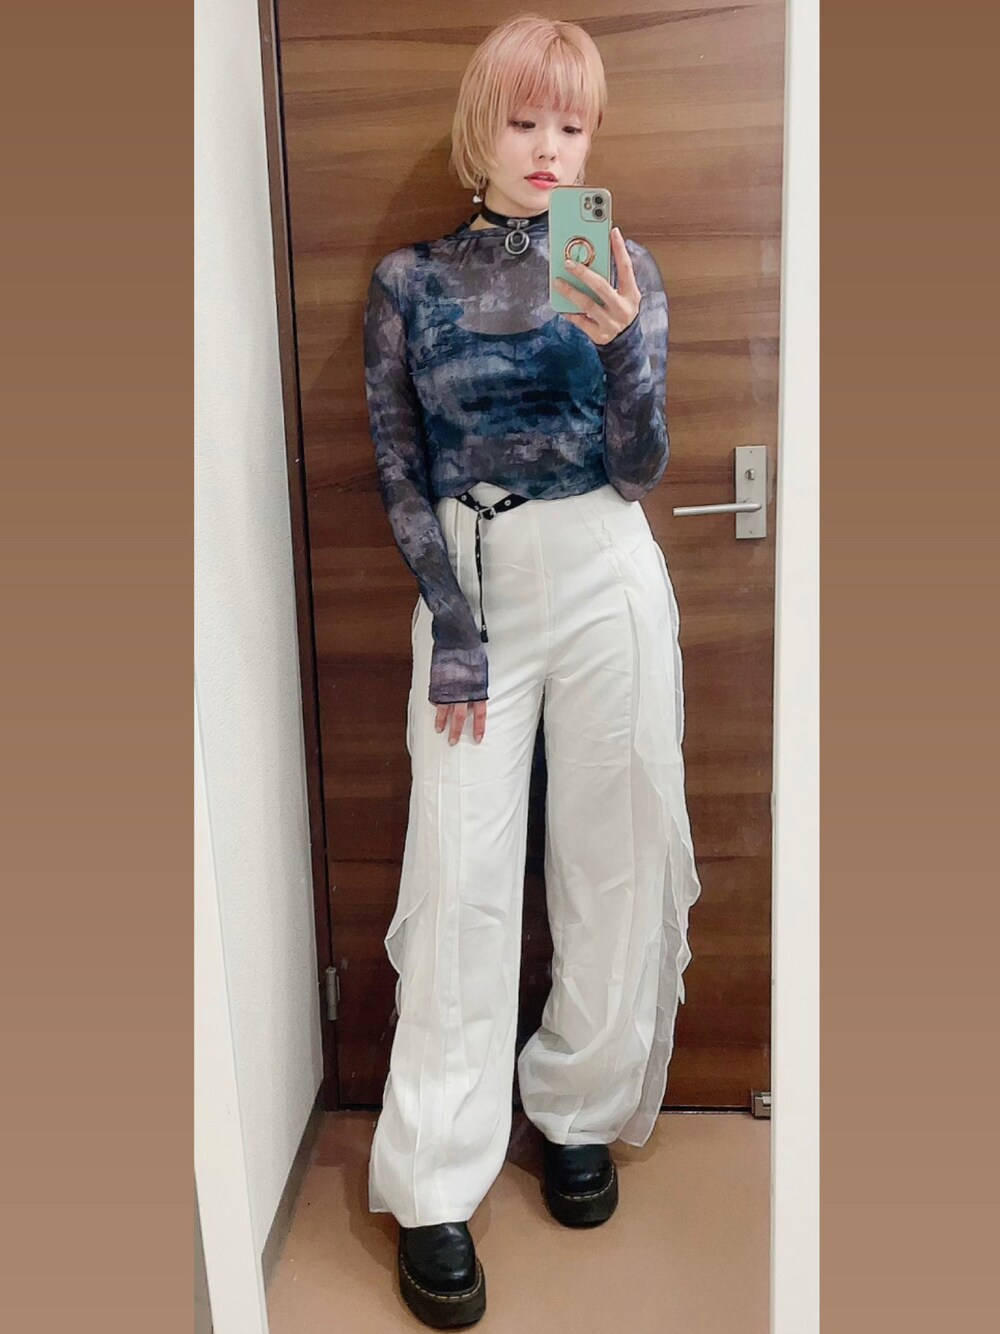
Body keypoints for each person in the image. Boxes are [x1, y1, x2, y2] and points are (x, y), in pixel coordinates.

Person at [362, 13, 702, 1328]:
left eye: (572, 123)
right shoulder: (412, 282)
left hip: (607, 568)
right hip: (477, 580)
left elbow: (642, 465)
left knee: (614, 846)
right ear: (481, 128)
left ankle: (575, 1104)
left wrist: (620, 347)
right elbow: (400, 468)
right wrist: (450, 619)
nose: (550, 146)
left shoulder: (621, 265)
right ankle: (435, 1175)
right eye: (524, 119)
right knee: (461, 868)